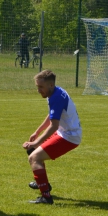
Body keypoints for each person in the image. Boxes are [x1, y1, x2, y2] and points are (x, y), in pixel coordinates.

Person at [22, 70, 82, 204]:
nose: (38, 90)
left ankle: (46, 197)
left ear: (50, 85)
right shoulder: (55, 92)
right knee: (32, 150)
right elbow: (52, 115)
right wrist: (37, 132)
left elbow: (54, 126)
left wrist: (36, 142)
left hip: (69, 136)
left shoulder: (56, 97)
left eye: (41, 87)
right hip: (65, 132)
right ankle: (43, 183)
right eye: (37, 87)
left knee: (34, 157)